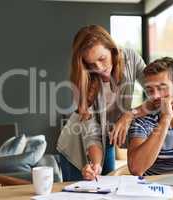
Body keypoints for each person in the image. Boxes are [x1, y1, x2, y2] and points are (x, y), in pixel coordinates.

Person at [56, 25, 151, 181]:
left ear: (112, 49)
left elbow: (156, 94)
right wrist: (95, 166)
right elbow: (92, 134)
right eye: (91, 64)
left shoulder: (131, 59)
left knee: (108, 190)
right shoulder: (84, 79)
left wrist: (130, 114)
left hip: (107, 141)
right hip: (77, 145)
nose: (99, 68)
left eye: (102, 59)